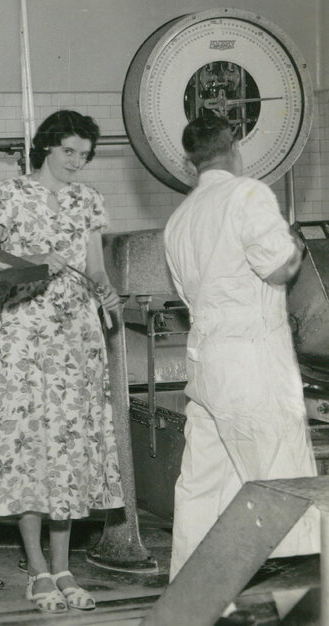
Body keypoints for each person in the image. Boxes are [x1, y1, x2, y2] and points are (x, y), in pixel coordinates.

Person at [0, 110, 124, 614]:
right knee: (29, 446)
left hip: (77, 336)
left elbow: (96, 267)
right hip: (25, 335)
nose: (76, 163)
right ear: (46, 147)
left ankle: (63, 568)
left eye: (84, 155)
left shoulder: (88, 200)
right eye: (68, 152)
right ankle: (36, 569)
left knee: (69, 446)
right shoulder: (7, 193)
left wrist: (108, 294)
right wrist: (33, 263)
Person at [163, 115, 318, 581]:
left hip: (205, 364)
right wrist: (293, 246)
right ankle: (304, 595)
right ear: (233, 147)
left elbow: (188, 295)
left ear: (191, 162)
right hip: (251, 364)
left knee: (203, 486)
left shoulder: (180, 218)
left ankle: (190, 597)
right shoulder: (247, 194)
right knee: (282, 482)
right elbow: (277, 267)